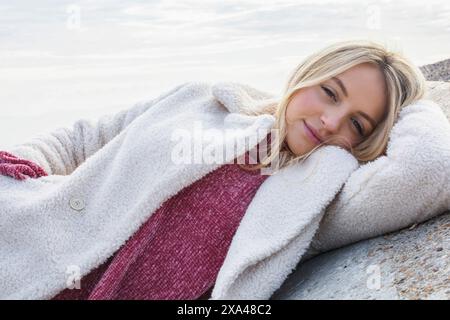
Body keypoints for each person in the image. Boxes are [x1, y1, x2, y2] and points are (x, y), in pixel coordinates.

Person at [0, 39, 426, 300]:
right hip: (24, 253)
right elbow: (82, 138)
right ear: (305, 76)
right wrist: (17, 166)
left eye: (357, 124)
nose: (332, 122)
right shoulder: (201, 102)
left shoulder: (323, 191)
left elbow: (428, 169)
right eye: (330, 92)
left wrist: (413, 97)